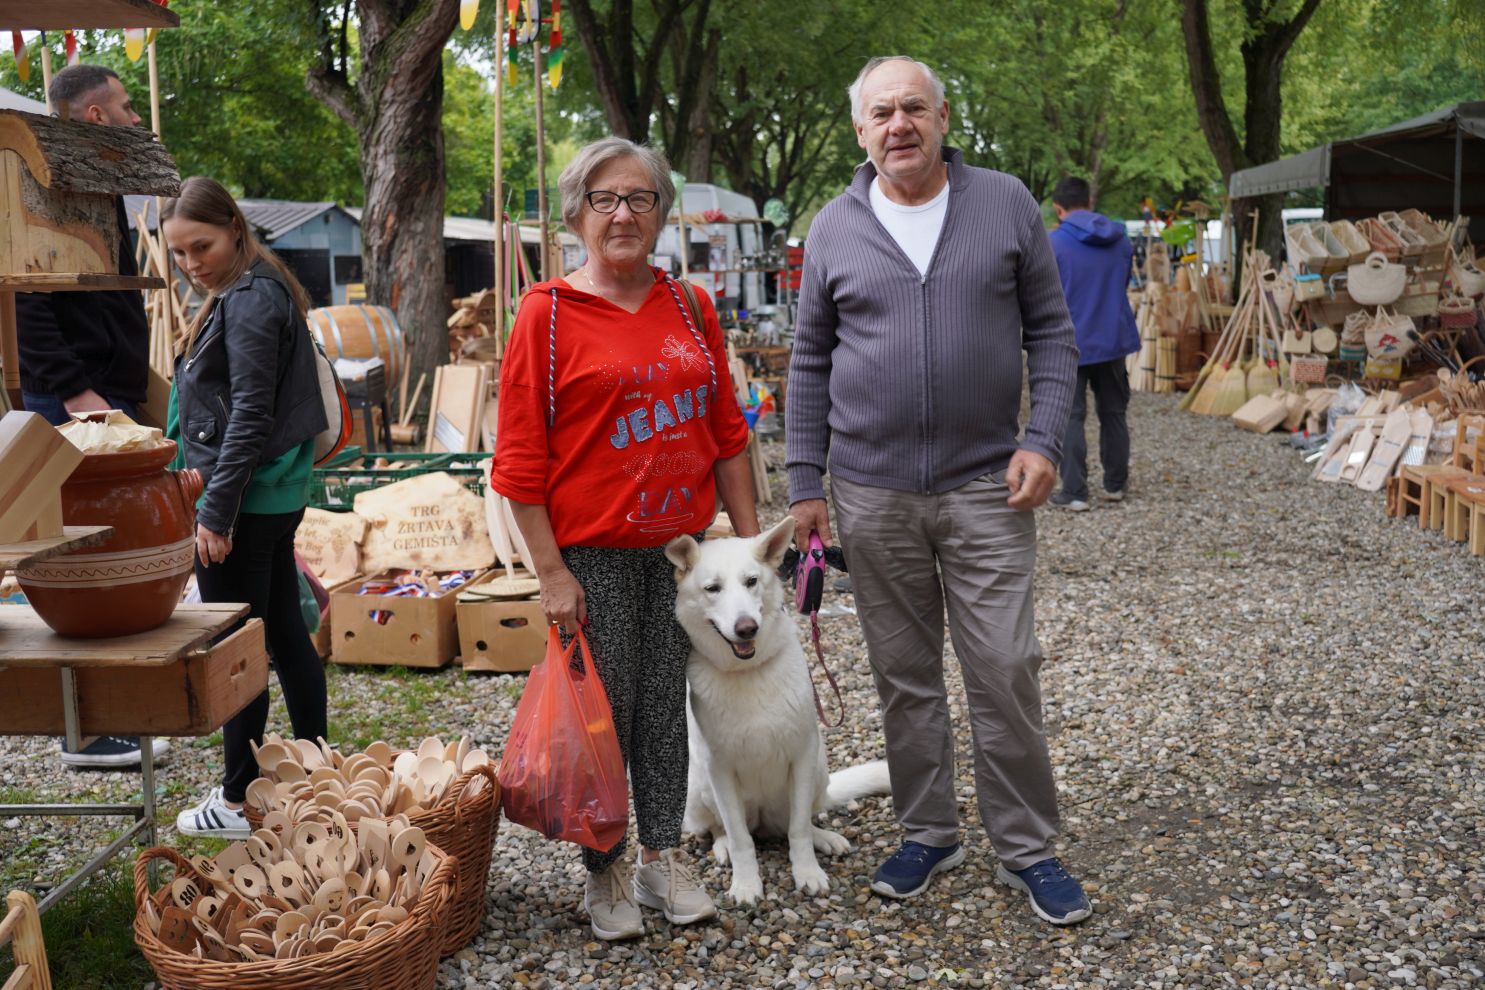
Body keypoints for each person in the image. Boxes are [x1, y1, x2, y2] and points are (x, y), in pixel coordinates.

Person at [786, 56, 1092, 926]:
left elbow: (1053, 335)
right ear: (860, 130)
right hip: (871, 491)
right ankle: (928, 831)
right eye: (881, 112)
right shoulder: (834, 227)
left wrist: (1043, 439)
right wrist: (805, 480)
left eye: (913, 108)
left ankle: (1025, 845)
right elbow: (809, 361)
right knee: (904, 673)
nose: (899, 125)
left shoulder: (1004, 203)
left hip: (986, 485)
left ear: (943, 116)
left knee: (1004, 666)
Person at [492, 137, 760, 941]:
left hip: (682, 557)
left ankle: (660, 857)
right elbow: (519, 463)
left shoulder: (690, 307)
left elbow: (726, 436)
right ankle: (603, 868)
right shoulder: (546, 314)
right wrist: (551, 573)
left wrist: (751, 553)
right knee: (600, 718)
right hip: (593, 557)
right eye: (603, 199)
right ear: (575, 214)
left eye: (639, 198)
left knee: (665, 711)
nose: (622, 214)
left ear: (661, 213)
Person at [161, 177, 329, 840]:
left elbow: (252, 412)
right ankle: (317, 775)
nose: (191, 263)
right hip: (265, 495)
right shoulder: (256, 284)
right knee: (280, 631)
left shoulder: (252, 296)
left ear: (234, 227)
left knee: (237, 653)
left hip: (244, 500)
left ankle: (236, 802)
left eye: (201, 246)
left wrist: (215, 512)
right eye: (179, 253)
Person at [16, 64, 165, 770]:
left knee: (115, 556)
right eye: (127, 108)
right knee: (77, 559)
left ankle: (113, 708)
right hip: (77, 398)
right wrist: (74, 391)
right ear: (96, 117)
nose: (136, 119)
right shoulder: (41, 183)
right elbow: (28, 298)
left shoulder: (96, 184)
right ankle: (82, 731)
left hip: (106, 390)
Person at [1048, 176, 1140, 512]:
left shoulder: (1053, 243)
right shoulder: (1120, 240)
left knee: (1071, 417)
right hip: (1112, 338)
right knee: (1114, 412)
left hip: (1069, 341)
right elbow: (1123, 283)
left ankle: (1074, 492)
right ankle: (1115, 484)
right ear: (1089, 202)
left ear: (1058, 209)